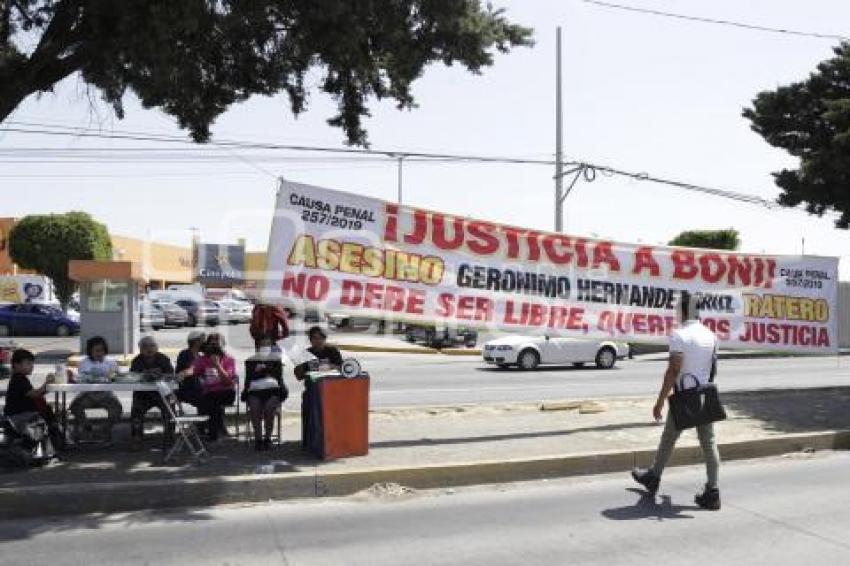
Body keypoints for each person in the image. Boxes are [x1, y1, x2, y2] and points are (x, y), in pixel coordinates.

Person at [631, 292, 722, 510]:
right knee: (709, 444)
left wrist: (660, 401)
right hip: (703, 395)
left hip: (684, 397)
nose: (675, 314)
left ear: (683, 311)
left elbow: (673, 371)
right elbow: (713, 370)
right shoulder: (711, 335)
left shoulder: (679, 335)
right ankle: (713, 491)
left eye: (677, 310)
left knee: (669, 437)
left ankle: (654, 477)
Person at [3, 348, 65, 452]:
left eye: (32, 363)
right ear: (17, 365)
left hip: (22, 413)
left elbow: (35, 394)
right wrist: (46, 383)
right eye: (28, 363)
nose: (32, 366)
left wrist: (47, 386)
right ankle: (56, 444)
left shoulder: (21, 378)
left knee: (50, 410)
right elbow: (35, 394)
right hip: (18, 416)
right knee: (48, 415)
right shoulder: (18, 380)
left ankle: (57, 443)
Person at [69, 336, 123, 442]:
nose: (99, 353)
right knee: (74, 407)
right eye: (96, 351)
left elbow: (118, 378)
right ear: (90, 351)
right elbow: (81, 379)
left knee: (117, 409)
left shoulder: (111, 363)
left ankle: (104, 430)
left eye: (102, 350)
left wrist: (114, 376)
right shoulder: (84, 363)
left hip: (106, 394)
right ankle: (87, 428)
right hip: (88, 394)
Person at [129, 336, 174, 448]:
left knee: (169, 409)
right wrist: (145, 375)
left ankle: (169, 437)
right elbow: (133, 377)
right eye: (145, 347)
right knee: (136, 411)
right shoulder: (136, 361)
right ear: (140, 349)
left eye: (152, 346)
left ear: (156, 347)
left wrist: (159, 375)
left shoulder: (163, 359)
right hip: (143, 395)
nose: (149, 349)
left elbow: (170, 375)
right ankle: (137, 438)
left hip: (161, 394)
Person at [244, 336, 287, 451]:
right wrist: (266, 372)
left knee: (269, 408)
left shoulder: (276, 360)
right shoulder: (250, 361)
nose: (265, 347)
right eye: (262, 345)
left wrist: (262, 371)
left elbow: (278, 376)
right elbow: (250, 378)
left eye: (268, 345)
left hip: (272, 391)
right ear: (257, 346)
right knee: (255, 407)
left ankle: (267, 438)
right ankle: (258, 440)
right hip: (255, 391)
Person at [193, 332, 237, 441]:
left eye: (216, 345)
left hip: (226, 392)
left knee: (212, 402)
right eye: (211, 345)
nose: (213, 348)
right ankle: (210, 431)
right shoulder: (202, 360)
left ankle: (212, 434)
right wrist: (201, 378)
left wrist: (218, 365)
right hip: (209, 391)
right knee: (207, 401)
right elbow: (196, 375)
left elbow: (228, 382)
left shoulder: (229, 360)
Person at [175, 330, 206, 408]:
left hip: (199, 388)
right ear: (195, 342)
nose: (205, 343)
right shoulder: (185, 354)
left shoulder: (200, 356)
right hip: (187, 389)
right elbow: (185, 372)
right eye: (203, 340)